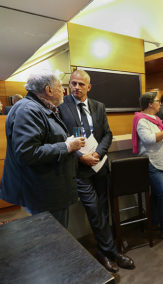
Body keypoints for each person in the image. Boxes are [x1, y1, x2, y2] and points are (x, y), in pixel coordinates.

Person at [58, 70, 134, 273]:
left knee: (103, 209)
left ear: (88, 87)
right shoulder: (61, 107)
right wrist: (81, 157)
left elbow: (108, 134)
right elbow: (60, 139)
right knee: (93, 211)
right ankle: (110, 252)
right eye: (73, 83)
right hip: (80, 170)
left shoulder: (98, 106)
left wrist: (98, 153)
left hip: (99, 167)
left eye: (81, 84)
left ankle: (106, 250)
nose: (76, 87)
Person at [0, 72, 85, 227]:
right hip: (43, 194)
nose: (63, 91)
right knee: (53, 241)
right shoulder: (27, 110)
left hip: (46, 189)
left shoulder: (39, 107)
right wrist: (66, 146)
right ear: (49, 90)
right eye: (60, 87)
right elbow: (27, 153)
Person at [132, 92, 163, 242]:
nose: (159, 103)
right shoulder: (141, 120)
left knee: (156, 196)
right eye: (156, 101)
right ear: (149, 104)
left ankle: (154, 222)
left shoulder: (155, 119)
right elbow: (148, 140)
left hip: (159, 161)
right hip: (151, 162)